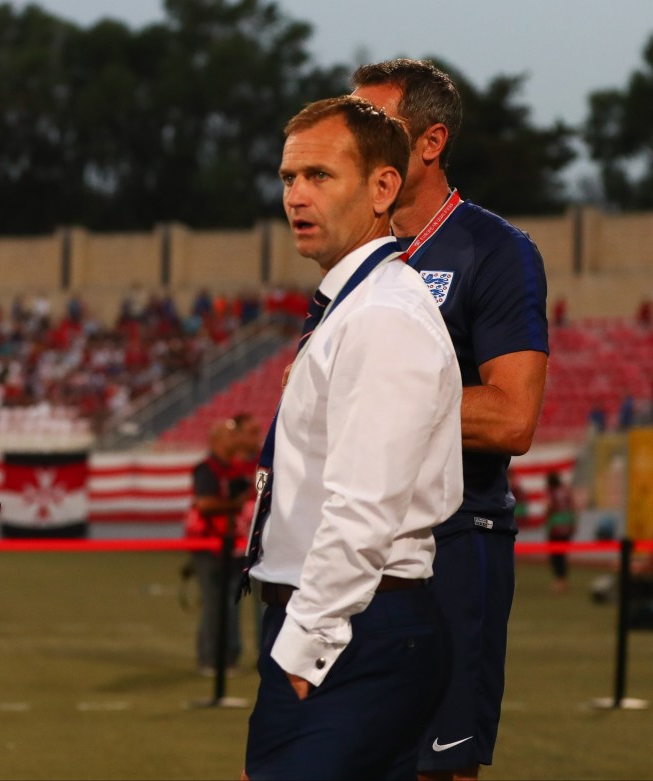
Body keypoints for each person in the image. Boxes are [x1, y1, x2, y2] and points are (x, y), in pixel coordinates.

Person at [242, 95, 463, 779]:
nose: (296, 196)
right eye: (288, 178)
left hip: (354, 629)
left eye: (319, 176)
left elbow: (363, 505)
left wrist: (304, 648)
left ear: (382, 187)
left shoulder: (382, 315)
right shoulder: (359, 305)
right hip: (350, 625)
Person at [352, 58, 550, 781]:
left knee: (437, 768)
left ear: (429, 142)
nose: (352, 140)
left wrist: (375, 394)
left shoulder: (496, 251)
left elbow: (512, 418)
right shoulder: (355, 257)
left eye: (372, 125)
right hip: (355, 544)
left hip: (452, 542)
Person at [184, 419, 251, 675]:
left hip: (231, 543)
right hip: (209, 544)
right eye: (231, 436)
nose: (237, 440)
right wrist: (235, 504)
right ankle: (211, 658)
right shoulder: (207, 469)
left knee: (230, 604)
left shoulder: (233, 470)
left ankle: (229, 657)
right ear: (218, 441)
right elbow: (205, 504)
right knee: (214, 604)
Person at [545, 472, 576, 594]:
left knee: (556, 556)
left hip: (556, 528)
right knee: (563, 555)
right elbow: (573, 508)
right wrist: (573, 524)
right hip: (567, 527)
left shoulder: (552, 493)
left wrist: (546, 520)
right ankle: (564, 580)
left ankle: (559, 581)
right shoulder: (567, 491)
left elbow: (549, 508)